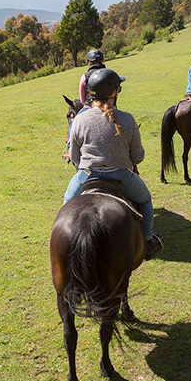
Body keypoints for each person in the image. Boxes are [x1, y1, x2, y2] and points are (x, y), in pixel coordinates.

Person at [65, 68, 163, 256]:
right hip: (121, 176)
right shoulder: (127, 119)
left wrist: (85, 168)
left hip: (86, 176)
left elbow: (75, 156)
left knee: (66, 206)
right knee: (146, 200)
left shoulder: (79, 119)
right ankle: (149, 240)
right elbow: (137, 157)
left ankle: (66, 245)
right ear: (113, 93)